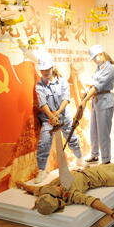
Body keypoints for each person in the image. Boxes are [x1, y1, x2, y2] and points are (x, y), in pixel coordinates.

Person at [16, 152, 114, 225]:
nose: (56, 188)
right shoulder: (72, 195)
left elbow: (31, 189)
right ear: (59, 199)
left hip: (89, 170)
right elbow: (93, 202)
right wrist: (112, 213)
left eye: (53, 190)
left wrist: (21, 184)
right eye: (56, 192)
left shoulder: (45, 191)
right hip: (98, 179)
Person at [34, 53, 85, 184]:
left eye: (47, 69)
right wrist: (51, 116)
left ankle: (80, 158)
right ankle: (42, 170)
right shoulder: (39, 85)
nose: (44, 72)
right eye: (42, 69)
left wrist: (58, 113)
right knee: (44, 143)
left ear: (52, 67)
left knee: (72, 138)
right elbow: (42, 103)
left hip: (63, 116)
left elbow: (66, 99)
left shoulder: (62, 81)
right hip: (48, 119)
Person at [81, 45, 114, 164]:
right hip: (97, 101)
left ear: (101, 54)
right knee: (94, 131)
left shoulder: (108, 68)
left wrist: (85, 100)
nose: (94, 60)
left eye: (95, 57)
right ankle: (94, 154)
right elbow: (92, 83)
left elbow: (97, 86)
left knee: (103, 133)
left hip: (104, 100)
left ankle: (106, 159)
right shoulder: (99, 68)